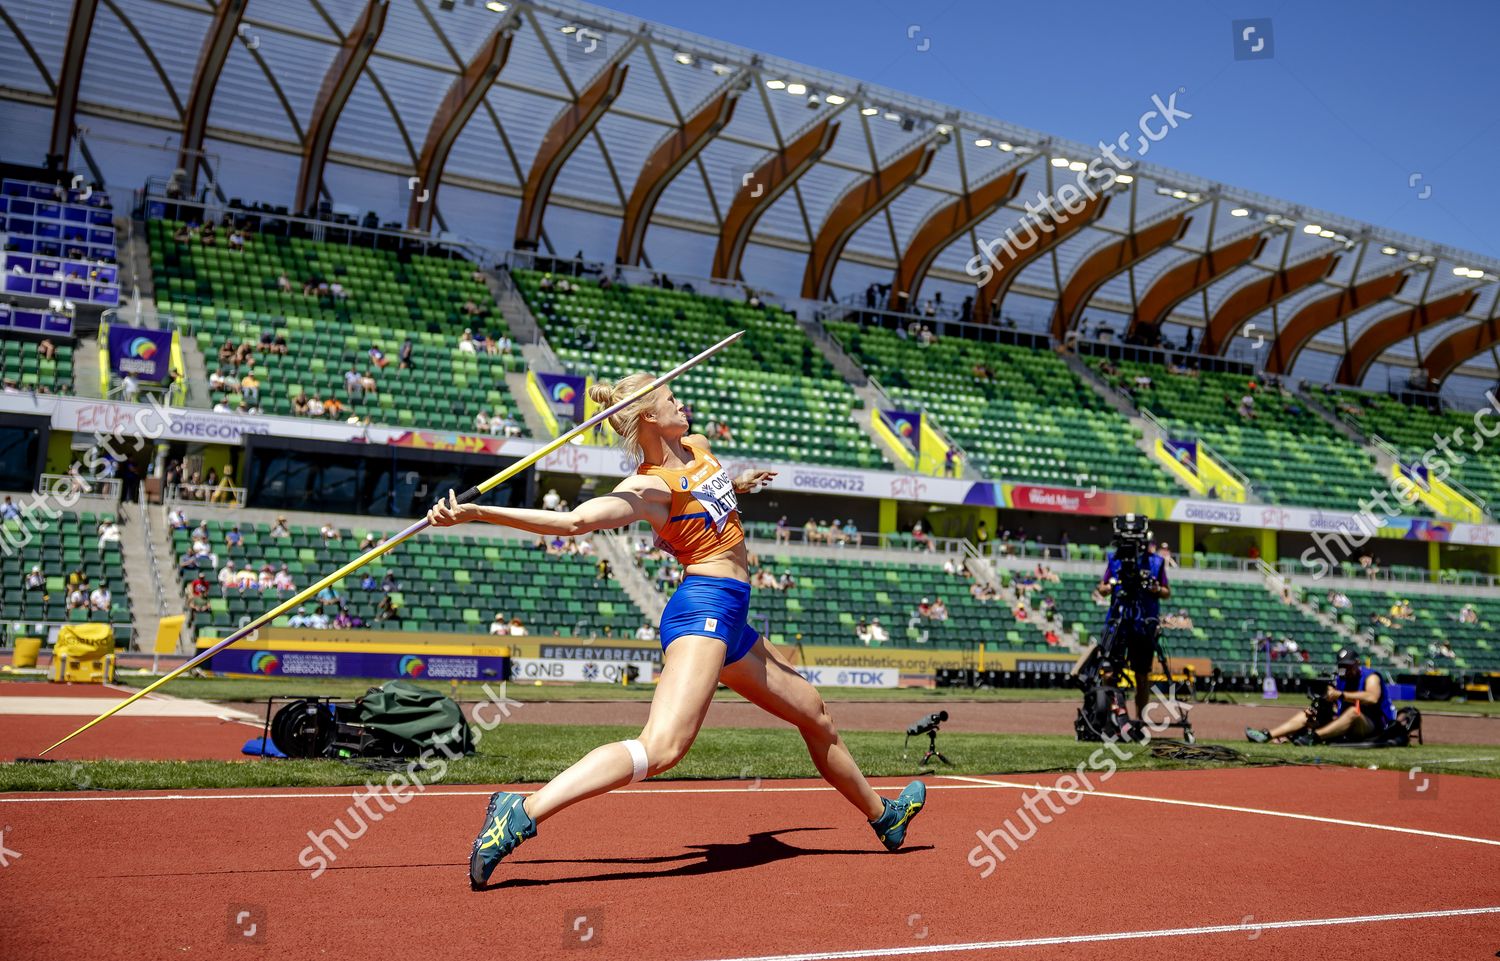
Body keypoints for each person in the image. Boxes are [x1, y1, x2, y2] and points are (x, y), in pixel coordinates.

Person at [425, 372, 926, 889]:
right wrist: (477, 512)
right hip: (703, 609)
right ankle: (521, 811)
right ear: (648, 416)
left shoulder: (698, 447)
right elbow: (574, 522)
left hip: (732, 616)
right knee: (662, 747)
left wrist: (737, 485)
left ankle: (884, 817)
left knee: (814, 714)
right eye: (670, 399)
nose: (681, 403)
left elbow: (705, 492)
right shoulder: (647, 489)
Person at [1072, 514, 1170, 721]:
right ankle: (1109, 719)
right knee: (1109, 672)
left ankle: (1141, 721)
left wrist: (1155, 588)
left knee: (1141, 675)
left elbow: (1166, 591)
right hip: (1118, 620)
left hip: (1143, 623)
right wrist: (1108, 587)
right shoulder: (1114, 559)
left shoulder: (1156, 562)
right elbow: (1102, 587)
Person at [1246, 648, 1397, 745]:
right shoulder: (1341, 680)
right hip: (1348, 725)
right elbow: (1337, 709)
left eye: (1348, 666)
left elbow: (1372, 697)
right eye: (1342, 666)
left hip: (1374, 727)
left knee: (1353, 713)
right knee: (1309, 713)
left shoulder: (1371, 677)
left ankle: (1313, 738)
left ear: (1357, 664)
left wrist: (1340, 694)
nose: (1344, 669)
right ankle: (1267, 735)